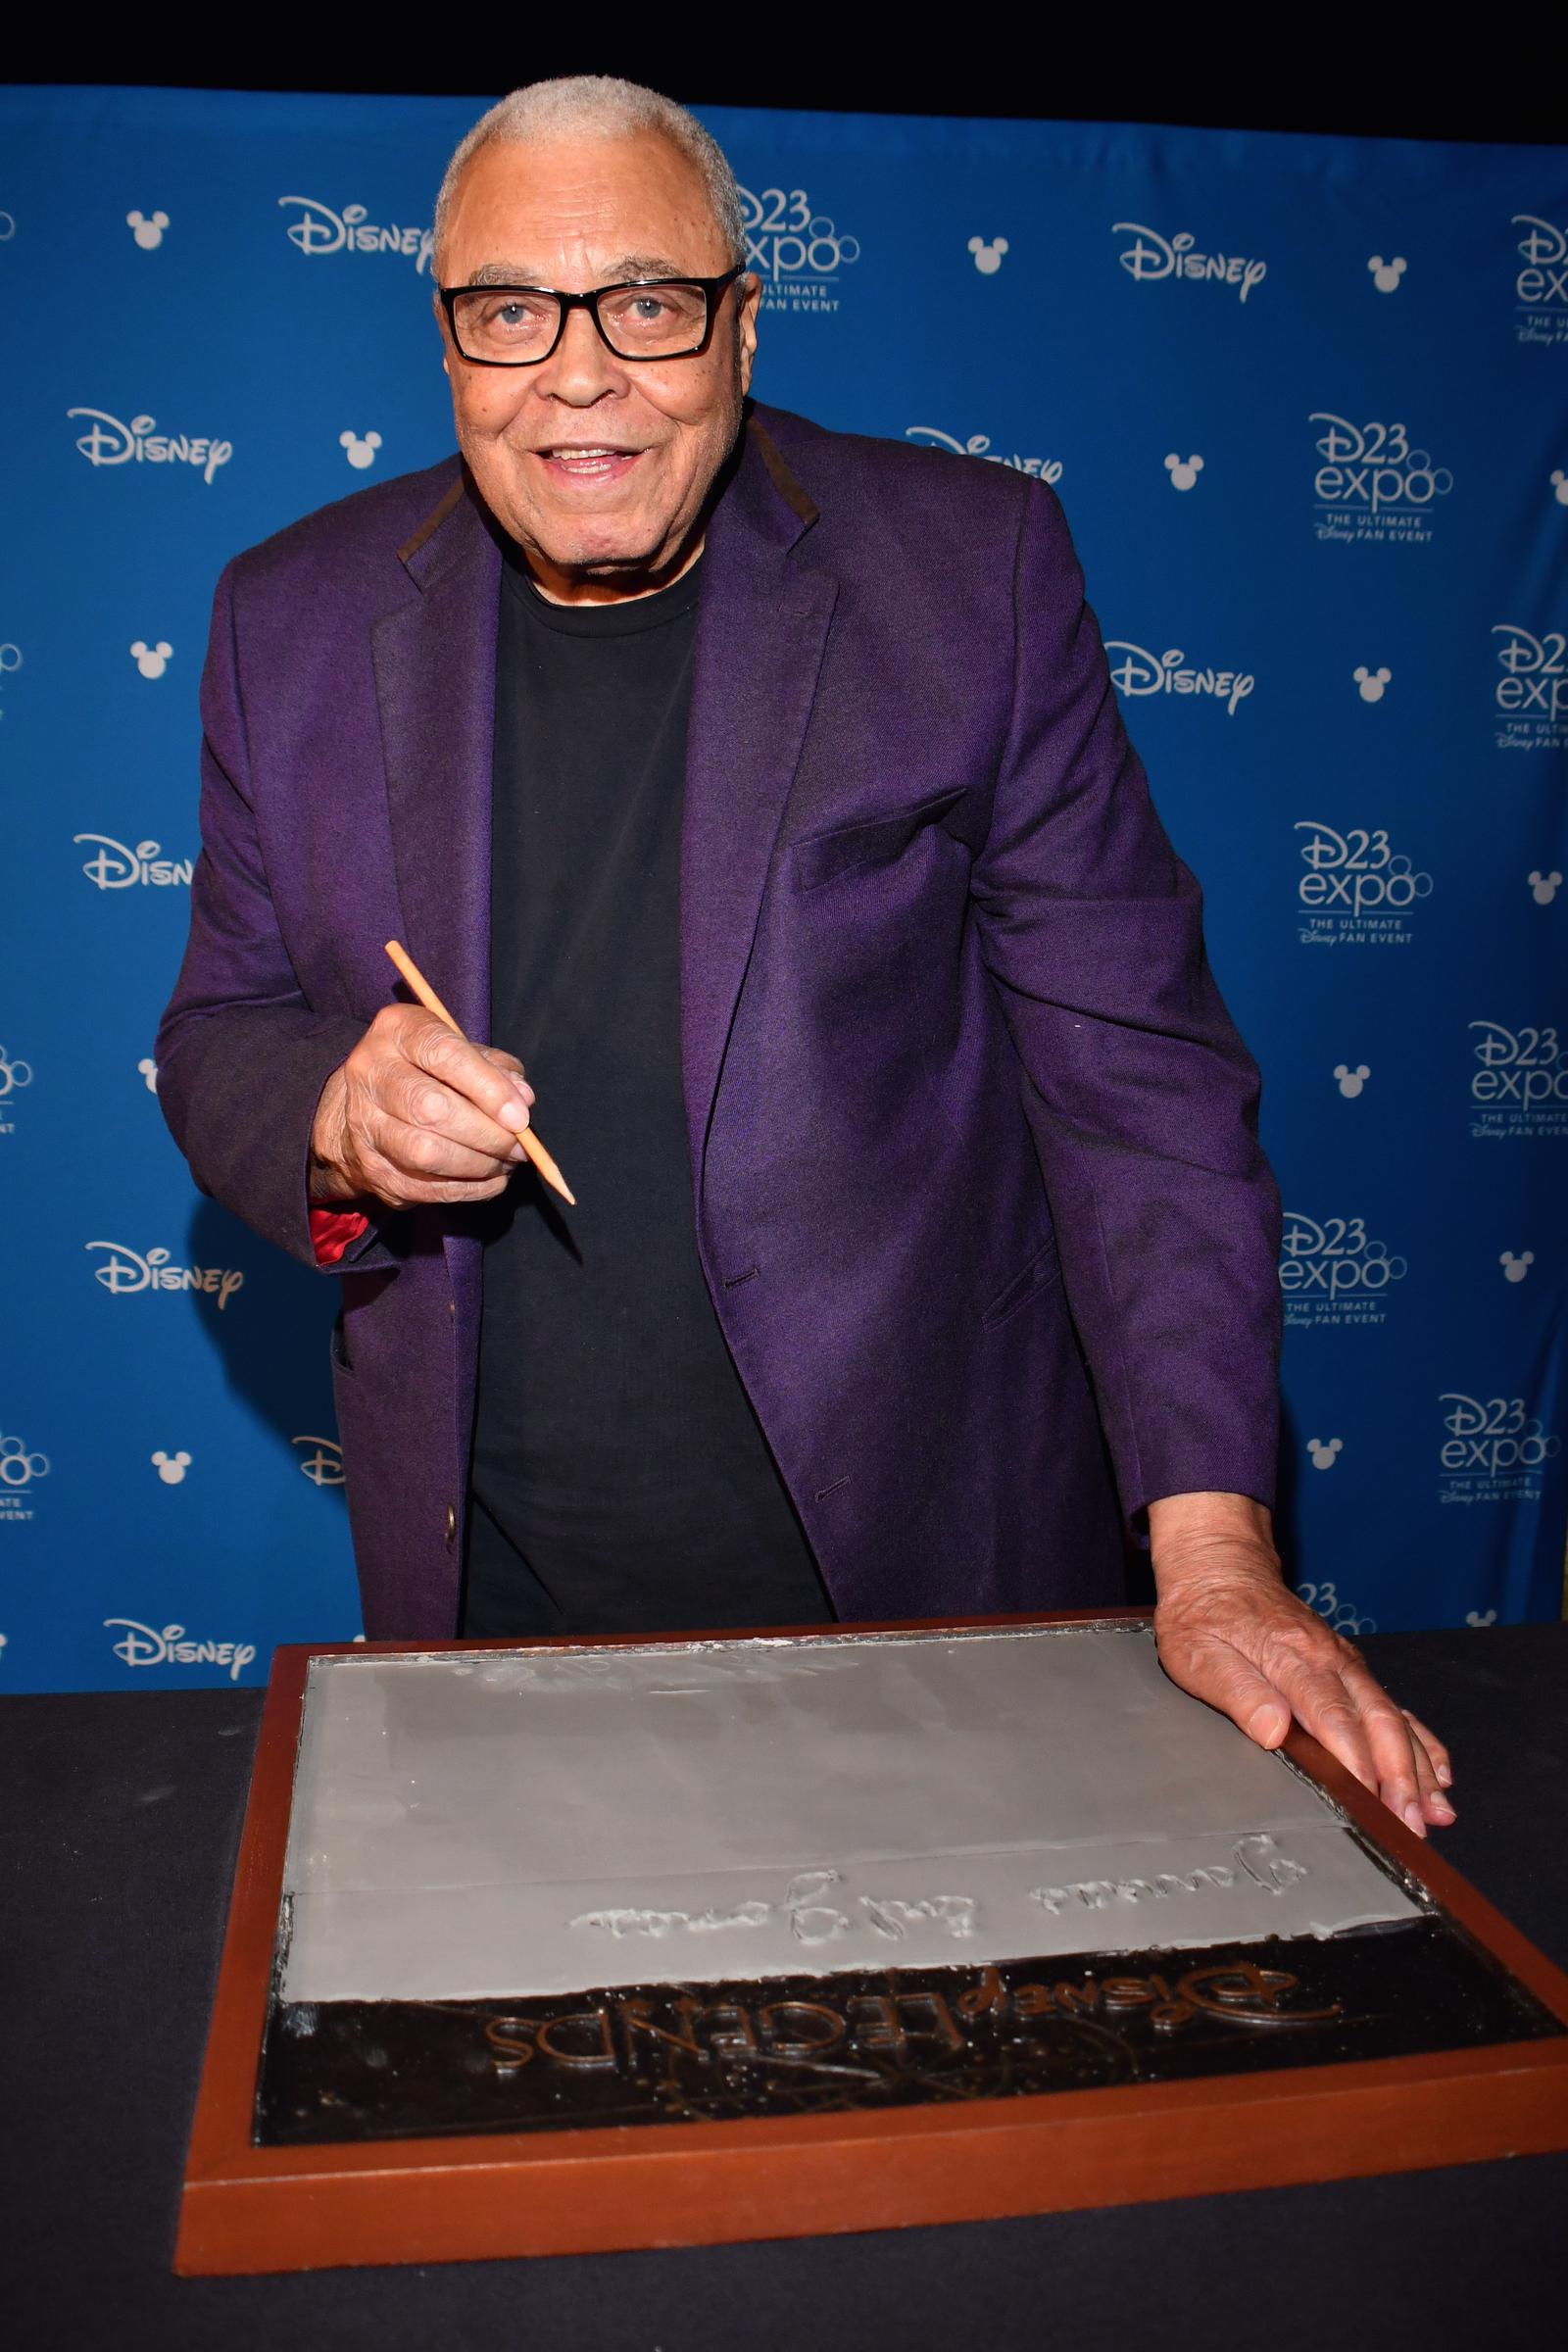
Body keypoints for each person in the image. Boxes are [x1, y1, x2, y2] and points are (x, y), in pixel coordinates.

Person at [157, 75, 1452, 1838]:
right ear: (448, 335)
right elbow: (223, 1024)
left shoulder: (968, 571)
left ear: (741, 323)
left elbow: (1132, 1077)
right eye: (512, 310)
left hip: (935, 1582)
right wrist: (334, 1107)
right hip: (497, 1612)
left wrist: (1214, 1552)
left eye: (649, 303)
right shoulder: (284, 618)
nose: (580, 370)